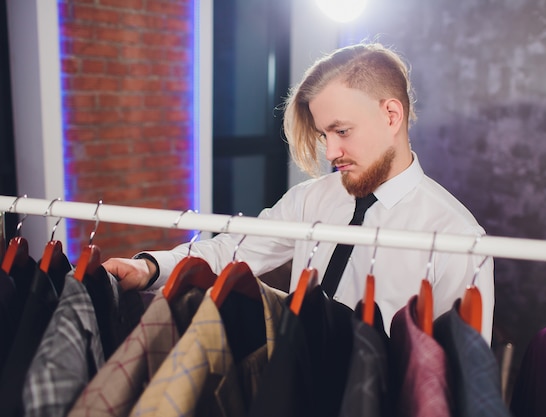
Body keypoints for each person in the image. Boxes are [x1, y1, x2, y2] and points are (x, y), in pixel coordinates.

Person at [103, 42, 495, 343]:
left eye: (342, 131)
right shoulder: (311, 199)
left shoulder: (458, 237)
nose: (331, 152)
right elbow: (232, 250)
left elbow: (455, 374)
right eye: (325, 135)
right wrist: (150, 267)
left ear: (391, 115)